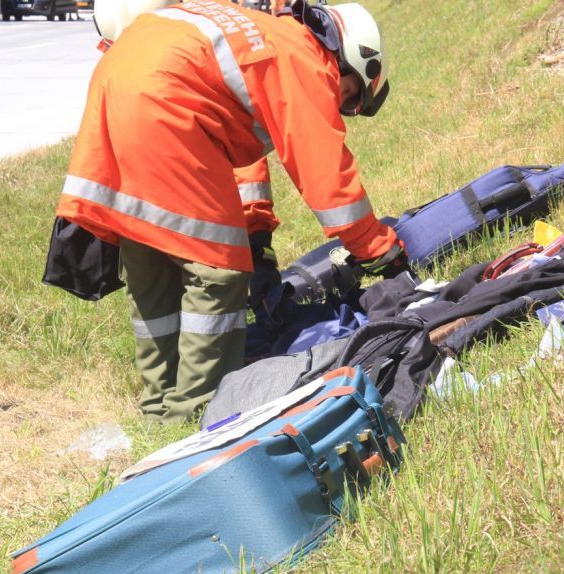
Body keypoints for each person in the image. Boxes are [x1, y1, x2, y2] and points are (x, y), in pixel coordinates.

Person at [56, 0, 408, 423]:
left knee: (151, 257)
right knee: (217, 273)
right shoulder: (305, 59)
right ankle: (194, 413)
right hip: (166, 103)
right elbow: (327, 175)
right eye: (350, 93)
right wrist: (379, 249)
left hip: (117, 85)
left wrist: (254, 228)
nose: (340, 101)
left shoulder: (263, 38)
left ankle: (158, 407)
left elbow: (235, 152)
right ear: (346, 56)